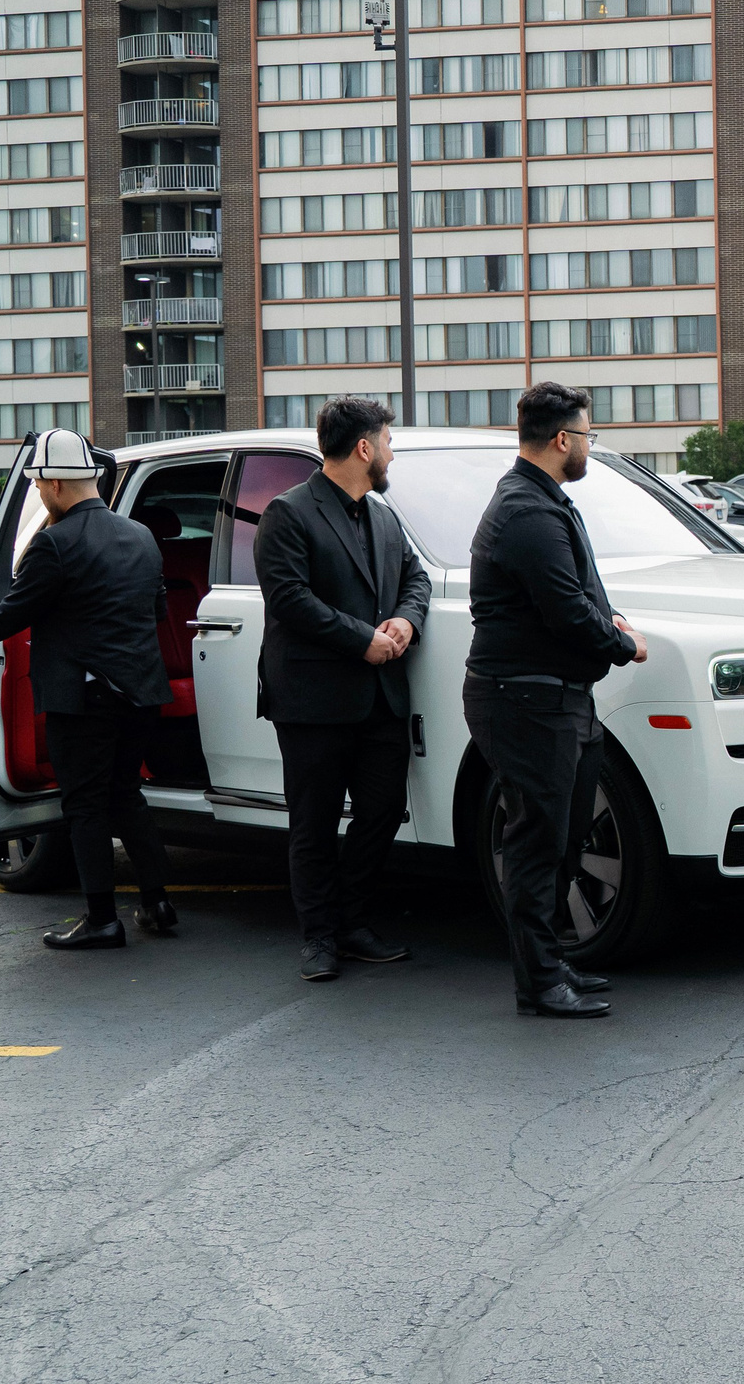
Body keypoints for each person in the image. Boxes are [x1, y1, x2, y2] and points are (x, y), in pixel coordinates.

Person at [0, 429, 177, 951]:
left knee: (84, 806)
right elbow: (156, 612)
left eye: (40, 484)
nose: (39, 493)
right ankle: (157, 903)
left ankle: (102, 919)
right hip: (141, 694)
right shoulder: (140, 535)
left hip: (84, 700)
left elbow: (11, 614)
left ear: (56, 484)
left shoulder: (53, 543)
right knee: (126, 794)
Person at [462, 383, 647, 1020]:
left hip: (560, 697)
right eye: (589, 436)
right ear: (563, 439)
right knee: (537, 843)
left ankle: (550, 961)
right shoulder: (527, 509)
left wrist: (611, 620)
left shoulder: (544, 500)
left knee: (566, 835)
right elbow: (565, 609)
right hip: (525, 700)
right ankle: (538, 983)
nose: (591, 447)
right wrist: (623, 645)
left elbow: (580, 591)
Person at [254, 396, 432, 984]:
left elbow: (416, 578)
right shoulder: (288, 512)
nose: (390, 453)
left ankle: (354, 923)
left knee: (381, 812)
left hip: (379, 696)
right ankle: (319, 937)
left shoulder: (382, 514)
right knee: (314, 821)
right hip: (312, 699)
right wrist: (363, 640)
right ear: (364, 447)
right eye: (388, 442)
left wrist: (406, 620)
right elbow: (289, 600)